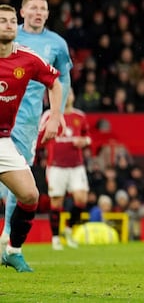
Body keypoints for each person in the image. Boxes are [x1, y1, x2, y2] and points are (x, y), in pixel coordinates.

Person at [1, 0, 72, 254]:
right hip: (5, 113)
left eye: (43, 8)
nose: (38, 12)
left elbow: (61, 80)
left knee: (24, 181)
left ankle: (7, 234)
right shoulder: (8, 33)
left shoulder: (57, 44)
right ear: (23, 12)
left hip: (28, 118)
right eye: (33, 8)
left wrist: (57, 114)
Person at [41, 88, 91, 250]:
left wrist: (84, 141)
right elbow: (39, 135)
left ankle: (68, 229)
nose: (68, 95)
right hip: (56, 166)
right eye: (65, 93)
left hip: (76, 165)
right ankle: (55, 238)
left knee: (81, 199)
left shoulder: (80, 116)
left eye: (70, 92)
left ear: (74, 96)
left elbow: (88, 137)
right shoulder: (50, 115)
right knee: (57, 201)